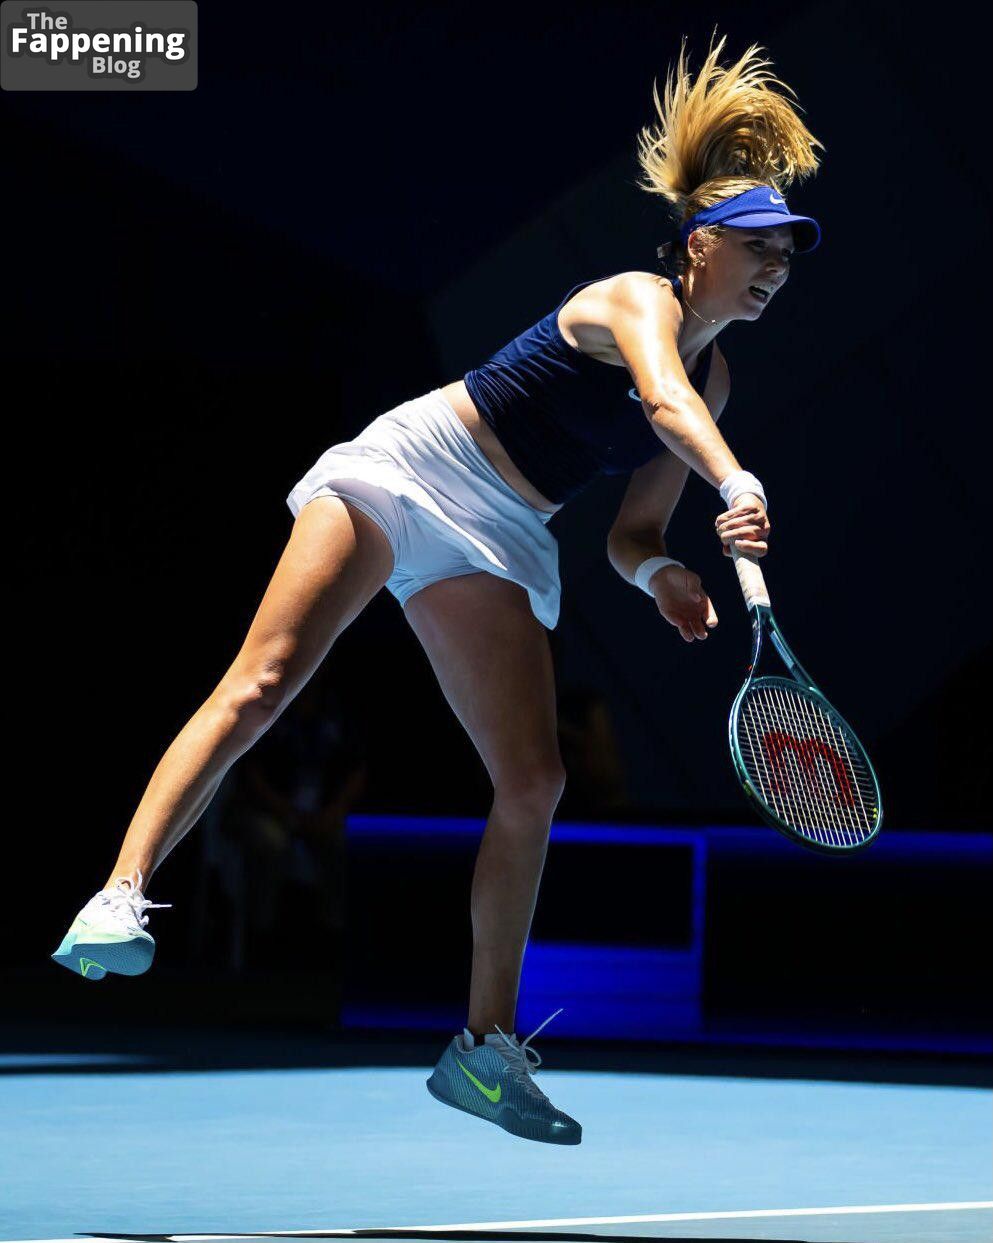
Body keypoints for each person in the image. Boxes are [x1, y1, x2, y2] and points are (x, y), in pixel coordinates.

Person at [52, 33, 821, 1145]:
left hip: (502, 536)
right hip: (411, 468)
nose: (776, 266)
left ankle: (482, 1049)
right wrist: (736, 479)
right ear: (700, 244)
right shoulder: (635, 302)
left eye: (787, 252)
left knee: (535, 780)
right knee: (265, 681)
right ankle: (121, 893)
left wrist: (659, 571)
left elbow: (632, 529)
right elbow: (659, 403)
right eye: (758, 246)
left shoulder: (721, 375)